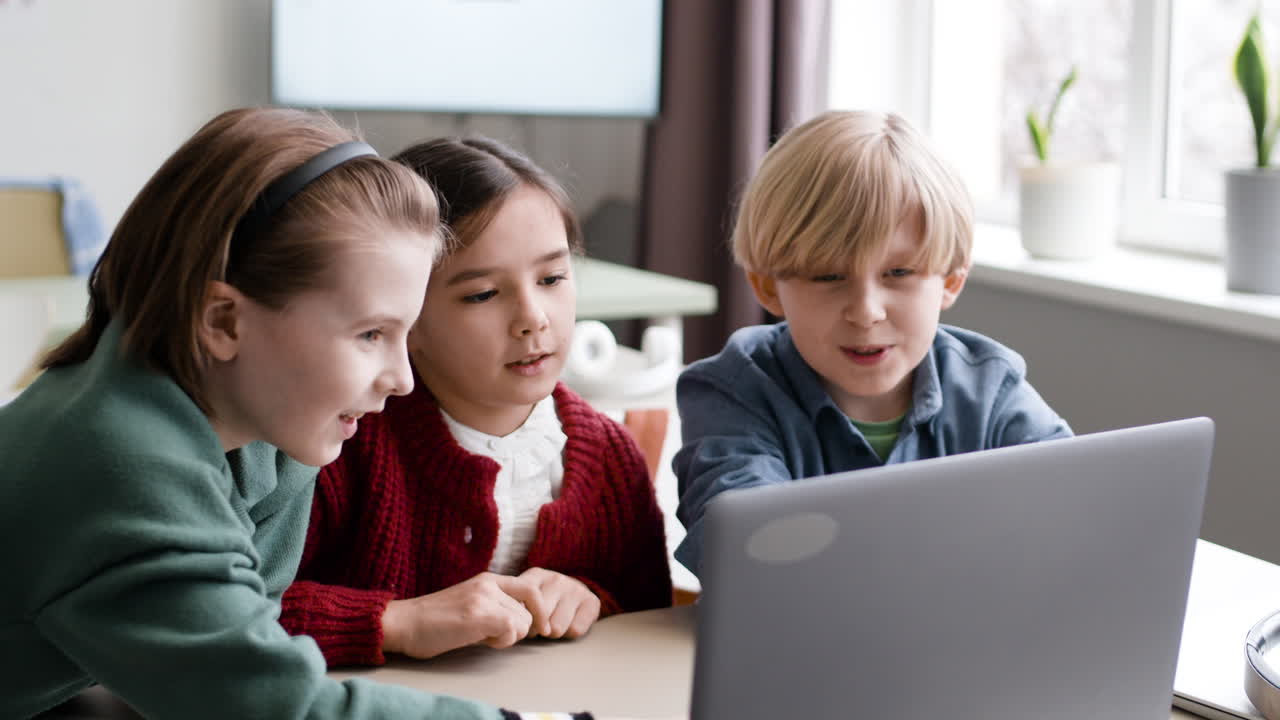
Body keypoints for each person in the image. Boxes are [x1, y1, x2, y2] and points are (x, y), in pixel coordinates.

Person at [0, 108, 594, 720]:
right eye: (370, 334)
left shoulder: (259, 429)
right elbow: (278, 708)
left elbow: (251, 637)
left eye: (405, 333)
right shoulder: (121, 468)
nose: (401, 380)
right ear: (222, 322)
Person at [280, 137, 672, 667]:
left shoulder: (610, 457)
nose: (533, 316)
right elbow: (236, 614)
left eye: (553, 278)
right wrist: (397, 621)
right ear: (404, 315)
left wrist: (593, 601)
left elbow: (650, 627)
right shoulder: (338, 441)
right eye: (482, 294)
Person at [673, 110, 1073, 577]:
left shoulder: (990, 388)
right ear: (767, 288)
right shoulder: (733, 390)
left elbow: (1069, 512)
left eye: (898, 273)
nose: (866, 311)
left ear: (950, 282)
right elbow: (746, 547)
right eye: (828, 276)